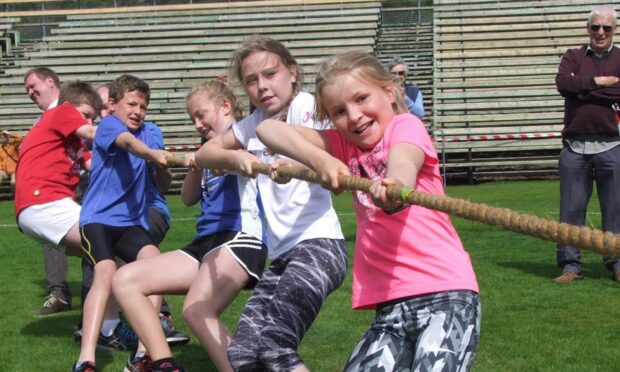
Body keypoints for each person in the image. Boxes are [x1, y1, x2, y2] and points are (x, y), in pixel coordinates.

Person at [256, 50, 481, 371]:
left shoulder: (405, 126)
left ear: (389, 93)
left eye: (362, 98)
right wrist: (323, 160)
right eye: (339, 111)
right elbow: (268, 131)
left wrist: (394, 188)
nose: (355, 115)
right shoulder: (346, 145)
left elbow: (404, 163)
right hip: (390, 305)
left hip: (446, 295)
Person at [196, 35, 347, 372]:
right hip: (282, 257)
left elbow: (328, 156)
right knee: (243, 354)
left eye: (270, 74)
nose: (262, 87)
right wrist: (238, 160)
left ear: (292, 73)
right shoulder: (251, 125)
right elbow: (205, 153)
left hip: (319, 246)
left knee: (277, 346)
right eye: (252, 80)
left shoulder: (308, 107)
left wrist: (299, 168)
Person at [113, 79, 267, 372]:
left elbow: (241, 160)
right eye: (192, 118)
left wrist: (219, 156)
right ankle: (163, 363)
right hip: (205, 245)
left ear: (224, 107)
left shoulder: (247, 136)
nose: (197, 123)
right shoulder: (207, 148)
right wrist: (198, 165)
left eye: (201, 115)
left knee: (197, 310)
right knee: (125, 280)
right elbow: (187, 198)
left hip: (240, 238)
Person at [73, 74, 171, 372]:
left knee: (157, 269)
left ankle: (143, 353)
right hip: (98, 220)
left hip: (131, 223)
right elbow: (129, 145)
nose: (138, 111)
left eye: (143, 106)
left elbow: (162, 184)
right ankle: (85, 359)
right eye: (131, 104)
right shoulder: (109, 127)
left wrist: (161, 163)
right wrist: (152, 153)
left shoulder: (150, 132)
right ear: (112, 105)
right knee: (105, 272)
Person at [554, 5, 620, 284]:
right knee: (570, 210)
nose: (601, 32)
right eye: (596, 27)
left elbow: (575, 88)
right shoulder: (573, 56)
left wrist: (582, 89)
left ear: (614, 30)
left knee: (616, 210)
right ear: (588, 29)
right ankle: (571, 266)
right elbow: (562, 83)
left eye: (607, 27)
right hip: (574, 148)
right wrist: (599, 82)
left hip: (612, 146)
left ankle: (616, 263)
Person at [23, 67, 75, 316]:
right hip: (59, 189)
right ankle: (59, 293)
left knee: (109, 239)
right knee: (53, 238)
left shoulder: (69, 108)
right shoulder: (40, 120)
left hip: (83, 182)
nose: (31, 92)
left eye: (34, 86)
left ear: (51, 81)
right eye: (27, 90)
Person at [0, 130, 23, 195]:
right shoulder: (0, 148)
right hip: (4, 171)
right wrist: (1, 169)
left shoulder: (13, 145)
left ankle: (12, 196)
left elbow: (20, 139)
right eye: (2, 137)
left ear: (8, 137)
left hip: (14, 170)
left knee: (13, 182)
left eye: (5, 136)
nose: (3, 138)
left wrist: (10, 134)